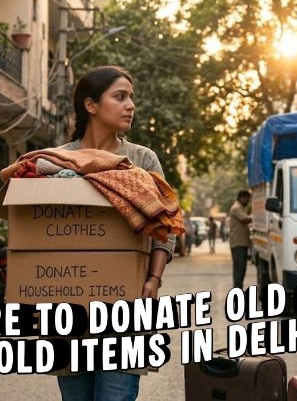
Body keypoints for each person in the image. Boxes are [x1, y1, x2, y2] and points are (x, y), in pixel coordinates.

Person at [54, 66, 175, 401]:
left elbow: (165, 228)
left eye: (131, 98)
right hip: (69, 312)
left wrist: (153, 280)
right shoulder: (59, 160)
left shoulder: (141, 159)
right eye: (120, 97)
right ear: (91, 105)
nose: (130, 105)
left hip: (126, 308)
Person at [229, 190, 252, 289]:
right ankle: (237, 289)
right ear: (242, 197)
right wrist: (256, 216)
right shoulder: (237, 208)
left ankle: (238, 288)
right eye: (247, 199)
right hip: (238, 243)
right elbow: (245, 219)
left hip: (241, 242)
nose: (248, 201)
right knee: (240, 267)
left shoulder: (240, 207)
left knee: (241, 268)